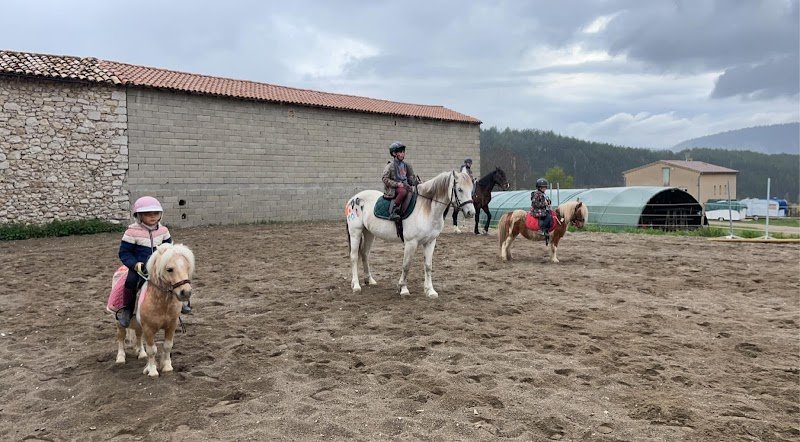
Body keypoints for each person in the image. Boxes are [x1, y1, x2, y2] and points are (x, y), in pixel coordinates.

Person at [116, 196, 190, 328]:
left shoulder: (163, 231)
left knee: (175, 278)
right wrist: (135, 264)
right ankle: (127, 309)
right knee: (130, 281)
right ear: (139, 216)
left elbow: (170, 250)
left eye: (156, 213)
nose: (153, 217)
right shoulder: (131, 232)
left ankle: (182, 302)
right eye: (147, 214)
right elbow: (124, 253)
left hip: (159, 268)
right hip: (140, 268)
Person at [382, 141, 419, 220]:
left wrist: (416, 182)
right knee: (403, 192)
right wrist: (397, 184)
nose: (403, 154)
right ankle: (393, 211)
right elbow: (385, 179)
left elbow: (410, 178)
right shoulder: (390, 166)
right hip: (394, 188)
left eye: (403, 152)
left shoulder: (406, 165)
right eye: (400, 152)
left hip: (405, 186)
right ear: (394, 154)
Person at [531, 178, 553, 242]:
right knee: (548, 217)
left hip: (542, 209)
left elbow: (547, 201)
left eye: (545, 187)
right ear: (539, 187)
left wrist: (548, 202)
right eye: (543, 187)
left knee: (551, 215)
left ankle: (547, 230)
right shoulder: (537, 194)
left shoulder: (543, 194)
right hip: (536, 210)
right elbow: (535, 204)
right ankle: (542, 230)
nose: (545, 188)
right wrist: (544, 204)